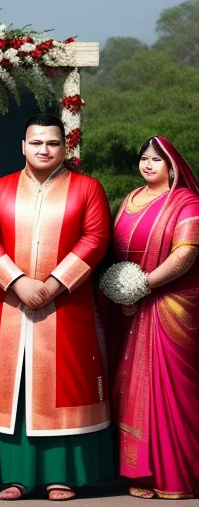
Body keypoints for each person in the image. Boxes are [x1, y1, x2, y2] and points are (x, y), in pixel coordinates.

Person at [0, 114, 114, 501]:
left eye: (52, 143)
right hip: (10, 304)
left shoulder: (87, 188)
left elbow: (96, 237)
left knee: (65, 385)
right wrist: (17, 281)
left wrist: (53, 285)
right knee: (14, 384)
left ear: (64, 147)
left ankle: (62, 475)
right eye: (36, 142)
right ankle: (15, 477)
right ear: (23, 146)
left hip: (68, 305)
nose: (44, 149)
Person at [111, 136, 199, 500]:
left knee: (175, 389)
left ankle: (179, 473)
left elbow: (186, 254)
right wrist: (122, 293)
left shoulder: (187, 203)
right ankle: (141, 471)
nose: (148, 164)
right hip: (132, 305)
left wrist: (143, 285)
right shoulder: (130, 200)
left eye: (156, 160)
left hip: (173, 304)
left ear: (172, 166)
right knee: (132, 386)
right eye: (143, 158)